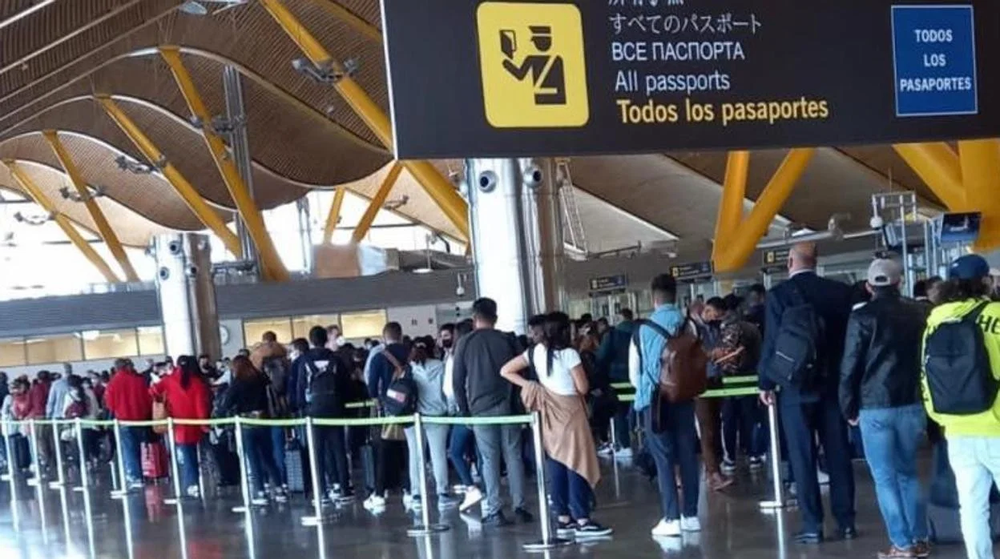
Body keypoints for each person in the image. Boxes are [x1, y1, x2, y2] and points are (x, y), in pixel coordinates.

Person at [759, 242, 856, 544]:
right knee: (838, 454)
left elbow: (773, 342)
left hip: (795, 387)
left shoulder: (779, 296)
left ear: (790, 262)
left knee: (802, 457)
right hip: (832, 385)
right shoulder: (839, 292)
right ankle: (846, 521)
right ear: (816, 262)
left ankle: (813, 524)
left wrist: (766, 383)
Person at [838, 259, 929, 558]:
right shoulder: (919, 312)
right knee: (909, 473)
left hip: (874, 405)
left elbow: (850, 364)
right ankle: (918, 538)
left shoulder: (861, 317)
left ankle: (901, 544)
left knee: (884, 477)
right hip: (912, 401)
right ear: (899, 282)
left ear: (868, 287)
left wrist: (848, 405)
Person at [502, 312, 612, 538]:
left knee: (557, 462)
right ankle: (582, 518)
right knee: (577, 463)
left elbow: (506, 370)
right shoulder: (569, 354)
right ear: (563, 331)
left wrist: (532, 385)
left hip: (548, 413)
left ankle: (563, 517)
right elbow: (582, 387)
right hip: (571, 413)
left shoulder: (534, 352)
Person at [922, 255, 1000, 559]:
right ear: (986, 281)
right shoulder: (996, 314)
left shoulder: (936, 320)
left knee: (971, 506)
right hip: (996, 426)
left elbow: (925, 376)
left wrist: (940, 418)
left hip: (956, 429)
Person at [630, 274, 701, 538]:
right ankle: (691, 515)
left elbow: (633, 372)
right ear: (676, 295)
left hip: (655, 401)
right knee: (687, 455)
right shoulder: (689, 325)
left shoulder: (643, 329)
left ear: (653, 297)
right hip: (685, 397)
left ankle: (671, 517)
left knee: (663, 458)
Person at [453, 298, 531, 526]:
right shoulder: (508, 339)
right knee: (513, 455)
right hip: (509, 407)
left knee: (489, 459)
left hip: (479, 409)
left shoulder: (465, 343)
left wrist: (465, 412)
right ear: (495, 318)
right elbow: (523, 374)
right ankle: (520, 507)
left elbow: (458, 382)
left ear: (475, 318)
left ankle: (495, 509)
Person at [217, 356, 284, 505]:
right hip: (264, 421)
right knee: (268, 457)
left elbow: (227, 403)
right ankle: (280, 488)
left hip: (247, 424)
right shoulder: (261, 379)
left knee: (253, 459)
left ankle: (260, 491)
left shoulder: (238, 383)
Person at [402, 336, 459, 510]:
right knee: (438, 455)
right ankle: (442, 494)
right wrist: (450, 410)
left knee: (415, 455)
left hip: (413, 417)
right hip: (437, 416)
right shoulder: (440, 366)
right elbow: (448, 391)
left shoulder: (409, 368)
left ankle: (417, 494)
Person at [299, 326, 353, 506]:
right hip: (334, 408)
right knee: (339, 450)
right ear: (325, 339)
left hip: (314, 410)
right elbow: (346, 385)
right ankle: (344, 488)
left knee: (317, 452)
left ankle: (322, 491)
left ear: (311, 341)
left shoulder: (304, 360)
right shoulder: (335, 359)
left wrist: (302, 407)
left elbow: (300, 389)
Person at [711, 294, 764, 472]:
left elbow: (720, 356)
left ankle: (730, 459)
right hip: (750, 379)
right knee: (750, 418)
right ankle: (754, 454)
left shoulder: (721, 329)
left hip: (727, 383)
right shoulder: (751, 328)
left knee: (729, 420)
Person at [365, 322, 412, 510]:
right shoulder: (410, 353)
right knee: (409, 451)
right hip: (410, 408)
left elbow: (372, 387)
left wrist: (377, 400)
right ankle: (410, 490)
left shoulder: (379, 357)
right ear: (400, 335)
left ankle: (379, 493)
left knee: (383, 451)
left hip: (389, 409)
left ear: (384, 337)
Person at [150, 356, 211, 499]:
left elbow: (153, 391)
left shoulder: (169, 380)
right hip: (195, 424)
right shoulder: (197, 383)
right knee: (198, 455)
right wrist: (204, 424)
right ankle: (194, 482)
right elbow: (200, 406)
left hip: (179, 424)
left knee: (187, 456)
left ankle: (192, 484)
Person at [698, 297, 734, 491]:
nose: (717, 319)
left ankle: (714, 468)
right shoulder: (694, 329)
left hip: (715, 378)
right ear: (708, 309)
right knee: (707, 427)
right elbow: (695, 355)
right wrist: (713, 354)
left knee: (715, 424)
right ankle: (713, 473)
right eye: (716, 314)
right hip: (700, 382)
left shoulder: (714, 328)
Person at [446, 319, 483, 510]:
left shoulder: (456, 355)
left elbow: (451, 388)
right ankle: (489, 494)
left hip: (464, 411)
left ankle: (471, 487)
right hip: (484, 407)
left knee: (456, 451)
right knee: (481, 452)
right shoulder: (481, 352)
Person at [104, 358, 153, 489]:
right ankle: (140, 474)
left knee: (128, 449)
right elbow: (147, 400)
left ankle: (134, 476)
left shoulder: (113, 383)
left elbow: (110, 404)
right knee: (137, 448)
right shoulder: (138, 380)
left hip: (124, 420)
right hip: (139, 419)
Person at [597, 309, 636, 457]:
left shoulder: (612, 335)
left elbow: (601, 358)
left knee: (619, 412)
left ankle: (625, 445)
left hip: (617, 379)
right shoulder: (641, 332)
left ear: (619, 318)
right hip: (638, 379)